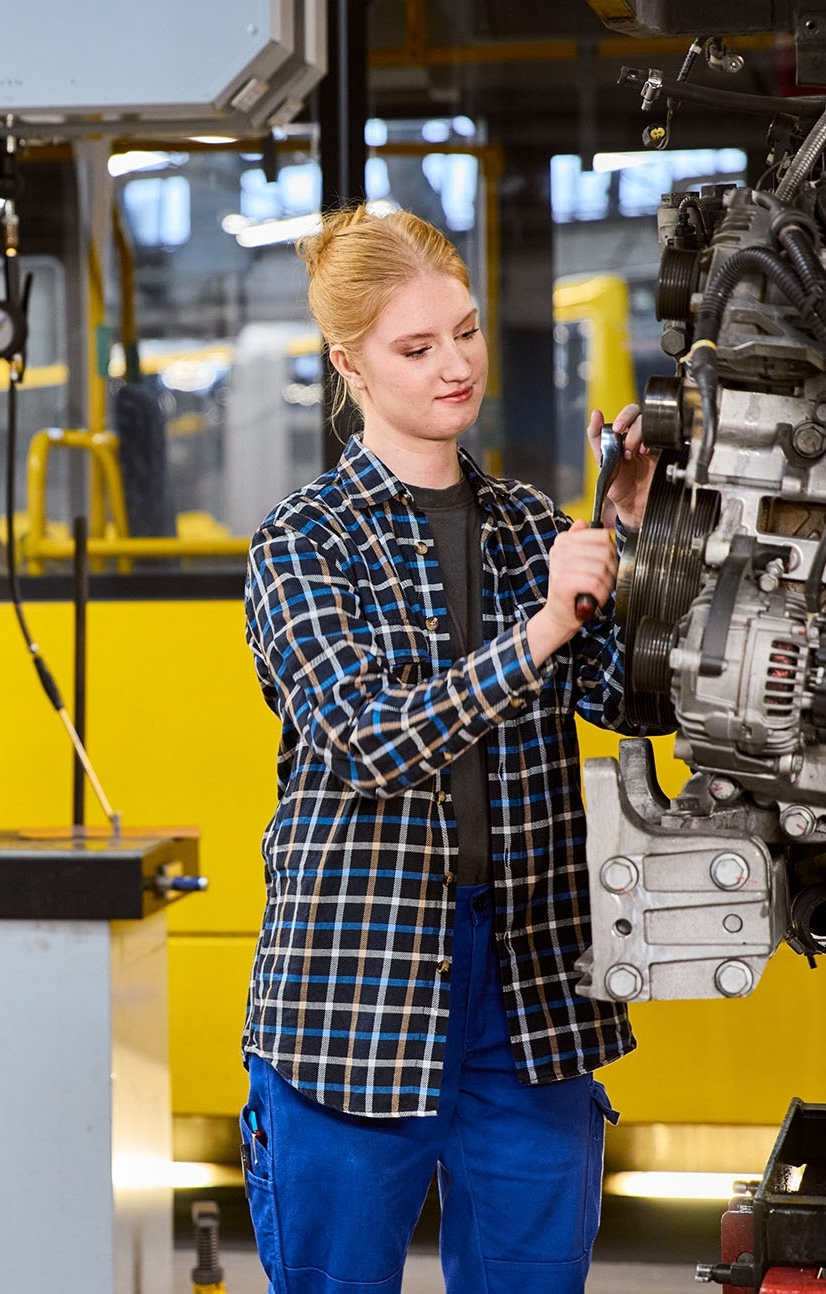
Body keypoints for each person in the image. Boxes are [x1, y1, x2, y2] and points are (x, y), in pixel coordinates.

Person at [239, 205, 659, 1293]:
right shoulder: (302, 541)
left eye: (464, 332)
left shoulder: (529, 526)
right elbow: (367, 740)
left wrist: (641, 544)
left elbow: (626, 702)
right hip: (352, 988)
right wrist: (542, 631)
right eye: (415, 348)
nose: (454, 365)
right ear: (349, 364)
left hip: (528, 987)